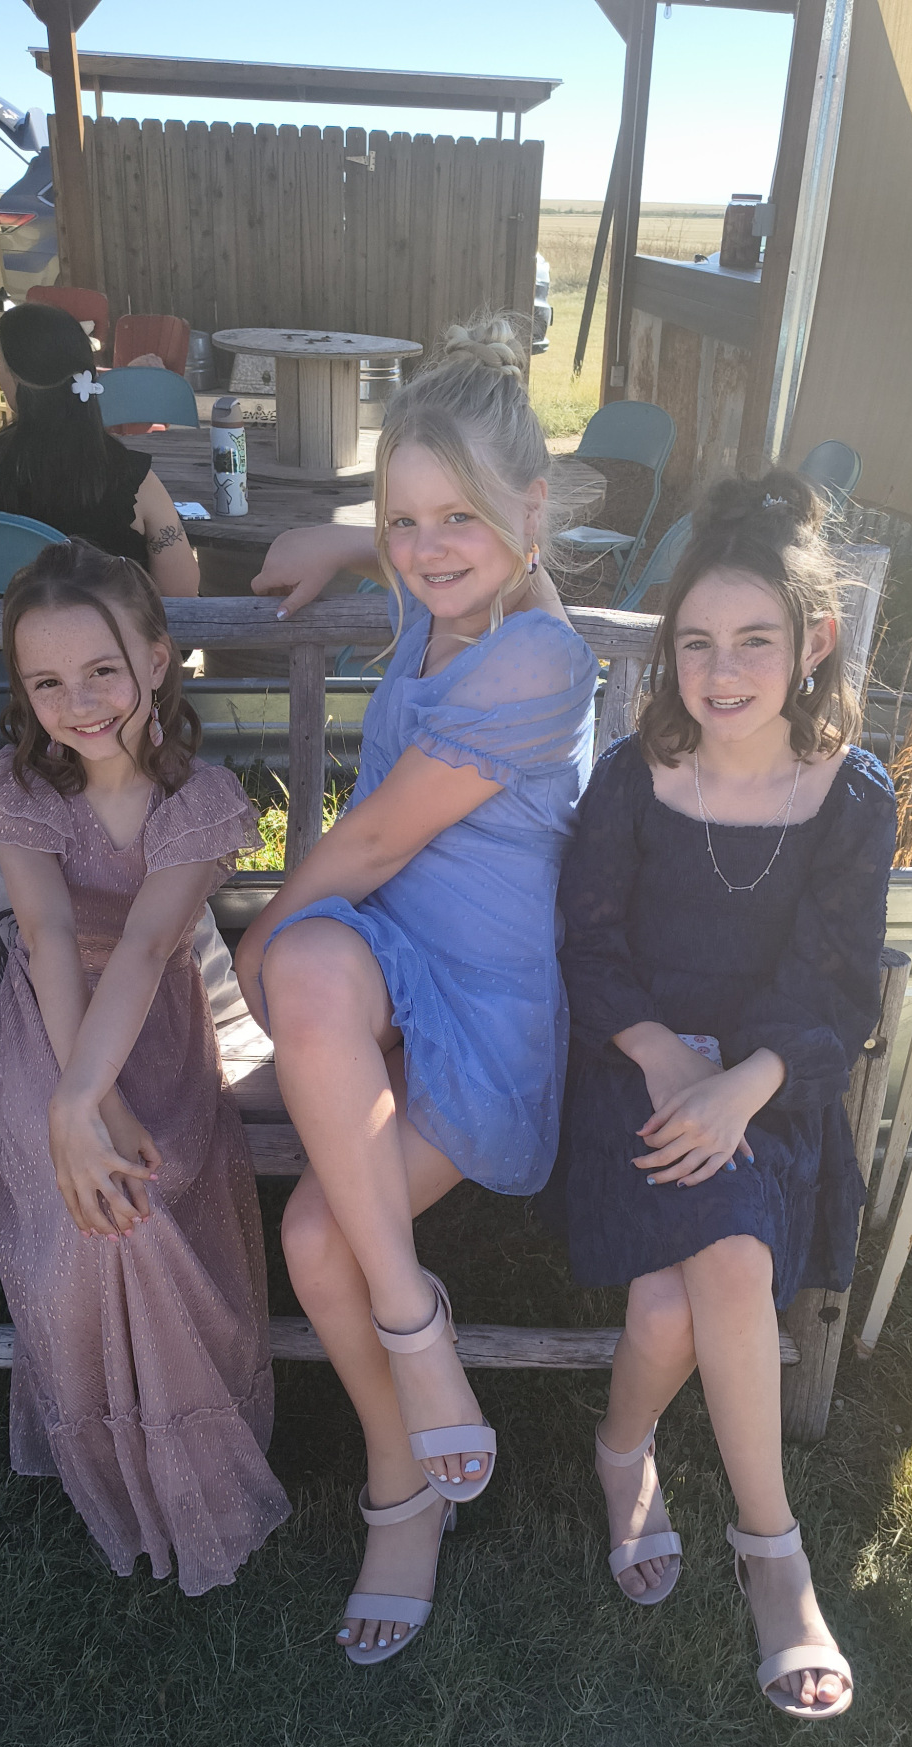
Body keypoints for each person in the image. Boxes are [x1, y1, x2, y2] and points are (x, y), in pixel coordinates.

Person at [234, 317, 598, 1667]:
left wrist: (265, 926)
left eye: (461, 518)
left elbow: (379, 837)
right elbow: (424, 552)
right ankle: (411, 1418)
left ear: (533, 512)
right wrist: (345, 537)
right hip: (391, 973)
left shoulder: (538, 659)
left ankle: (403, 1458)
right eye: (406, 521)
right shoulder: (447, 607)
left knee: (318, 1240)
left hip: (487, 1014)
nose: (430, 549)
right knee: (314, 961)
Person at [547, 472, 896, 1720]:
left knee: (680, 1295)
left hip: (770, 1079)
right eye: (696, 642)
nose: (723, 670)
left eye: (754, 640)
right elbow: (589, 944)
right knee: (695, 1285)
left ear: (815, 641)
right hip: (633, 1070)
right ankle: (764, 1545)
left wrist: (743, 1085)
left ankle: (664, 1477)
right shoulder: (635, 779)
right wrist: (662, 1056)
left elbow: (837, 985)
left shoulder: (849, 795)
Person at [0, 538, 289, 1593]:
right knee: (91, 1210)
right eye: (47, 683)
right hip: (48, 1024)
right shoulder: (22, 789)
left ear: (157, 659)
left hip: (152, 1027)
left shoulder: (197, 801)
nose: (79, 703)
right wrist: (75, 1103)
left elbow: (149, 949)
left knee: (139, 1197)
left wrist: (90, 1103)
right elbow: (51, 935)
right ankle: (112, 1458)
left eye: (102, 670)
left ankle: (189, 1453)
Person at [0, 304, 202, 597]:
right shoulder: (132, 479)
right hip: (110, 627)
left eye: (1, 363)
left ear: (18, 379)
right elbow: (182, 591)